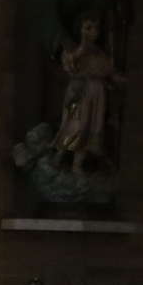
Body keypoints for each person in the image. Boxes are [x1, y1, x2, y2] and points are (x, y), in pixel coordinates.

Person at [53, 14, 124, 174]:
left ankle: (77, 165)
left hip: (95, 94)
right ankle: (59, 156)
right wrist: (82, 48)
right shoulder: (73, 49)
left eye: (95, 28)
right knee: (74, 125)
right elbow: (71, 65)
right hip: (79, 91)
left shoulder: (99, 53)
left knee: (89, 128)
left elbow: (108, 71)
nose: (93, 32)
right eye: (88, 28)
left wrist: (120, 80)